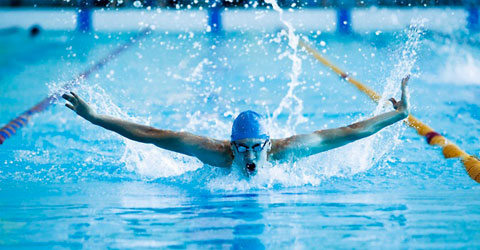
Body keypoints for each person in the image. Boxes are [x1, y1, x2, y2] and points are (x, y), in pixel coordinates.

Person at [63, 76, 410, 177]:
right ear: (230, 146)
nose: (248, 156)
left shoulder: (286, 151)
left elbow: (349, 132)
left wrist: (397, 114)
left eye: (255, 146)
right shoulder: (214, 154)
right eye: (241, 148)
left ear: (267, 143)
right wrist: (95, 117)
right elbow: (153, 136)